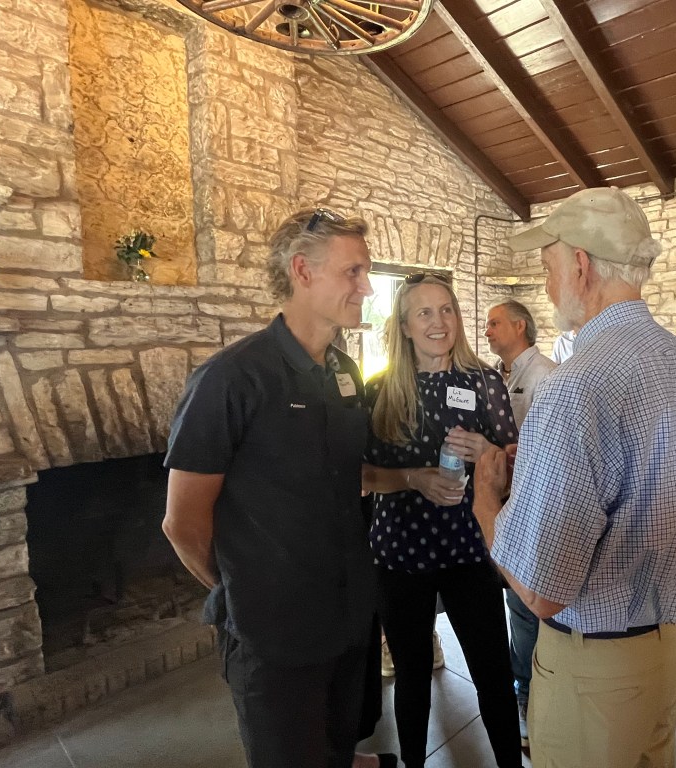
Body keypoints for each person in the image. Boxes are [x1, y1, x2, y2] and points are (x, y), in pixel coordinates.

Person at [473, 187, 676, 768]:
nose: (547, 286)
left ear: (580, 265)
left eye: (548, 268)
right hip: (673, 647)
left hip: (599, 675)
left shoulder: (573, 385)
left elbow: (540, 592)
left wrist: (487, 505)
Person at [163, 207, 394, 768]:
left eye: (366, 272)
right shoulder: (231, 378)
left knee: (338, 751)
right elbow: (182, 523)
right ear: (302, 271)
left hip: (348, 619)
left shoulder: (344, 372)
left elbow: (347, 479)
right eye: (354, 271)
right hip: (275, 638)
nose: (367, 287)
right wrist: (245, 591)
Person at [361, 274, 522, 768]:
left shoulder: (484, 382)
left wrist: (489, 450)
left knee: (493, 673)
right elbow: (362, 475)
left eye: (447, 309)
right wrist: (413, 479)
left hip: (469, 547)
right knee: (412, 676)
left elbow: (517, 464)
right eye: (425, 312)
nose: (439, 322)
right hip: (400, 551)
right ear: (404, 326)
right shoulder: (380, 389)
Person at [484, 299, 555, 747]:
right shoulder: (492, 377)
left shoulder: (547, 376)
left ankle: (529, 699)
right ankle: (521, 686)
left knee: (527, 611)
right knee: (513, 607)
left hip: (529, 507)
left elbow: (550, 446)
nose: (486, 330)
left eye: (494, 322)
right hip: (499, 502)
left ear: (520, 326)